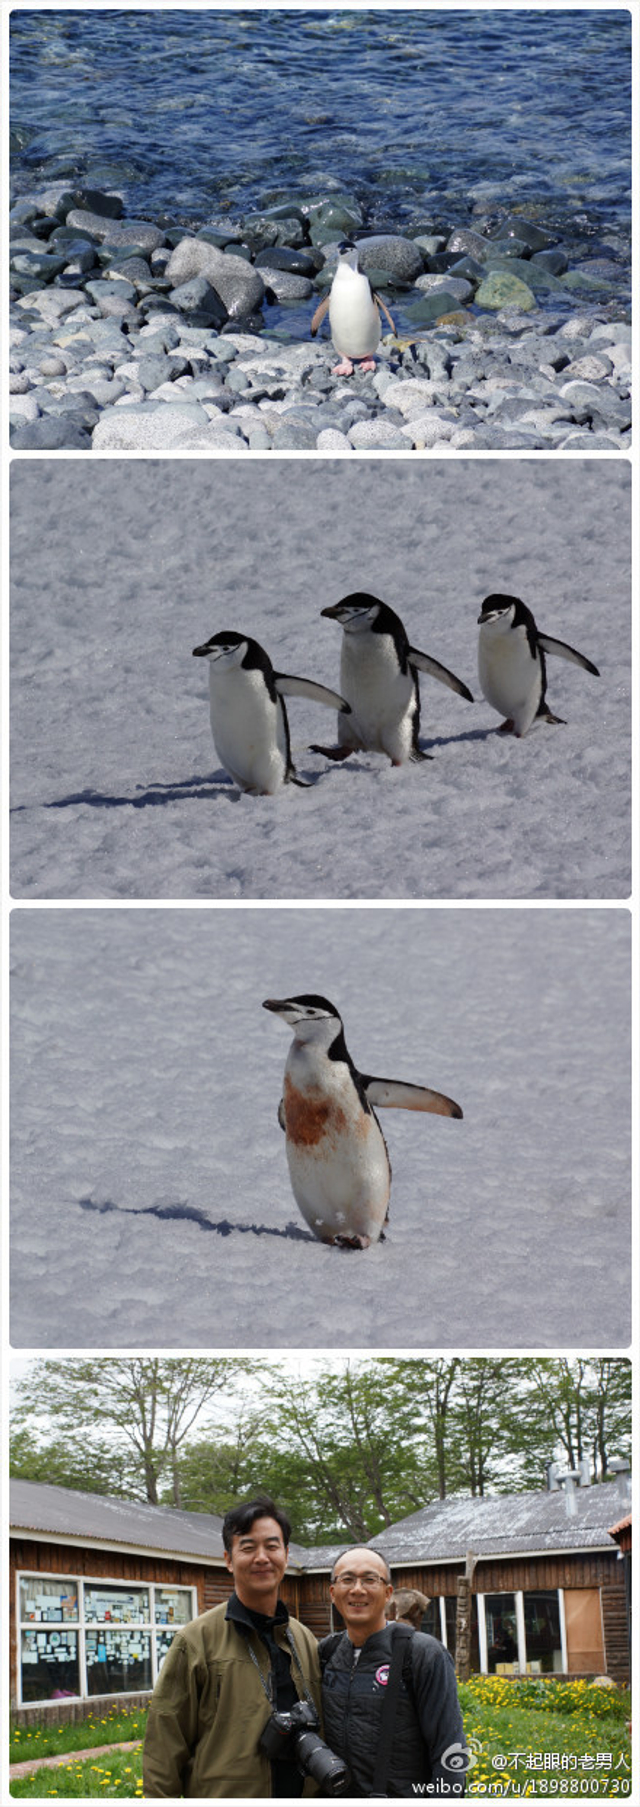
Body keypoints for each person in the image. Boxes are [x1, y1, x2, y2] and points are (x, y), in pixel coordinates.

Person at [143, 1495, 322, 1798]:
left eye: (272, 1546)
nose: (262, 1557)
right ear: (228, 1559)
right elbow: (164, 1745)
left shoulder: (304, 1640)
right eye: (248, 1547)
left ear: (287, 1555)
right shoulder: (195, 1641)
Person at [320, 1545, 468, 1797]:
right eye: (347, 1579)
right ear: (333, 1593)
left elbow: (450, 1754)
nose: (357, 1589)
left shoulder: (422, 1653)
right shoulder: (327, 1652)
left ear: (388, 1593)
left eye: (370, 1579)